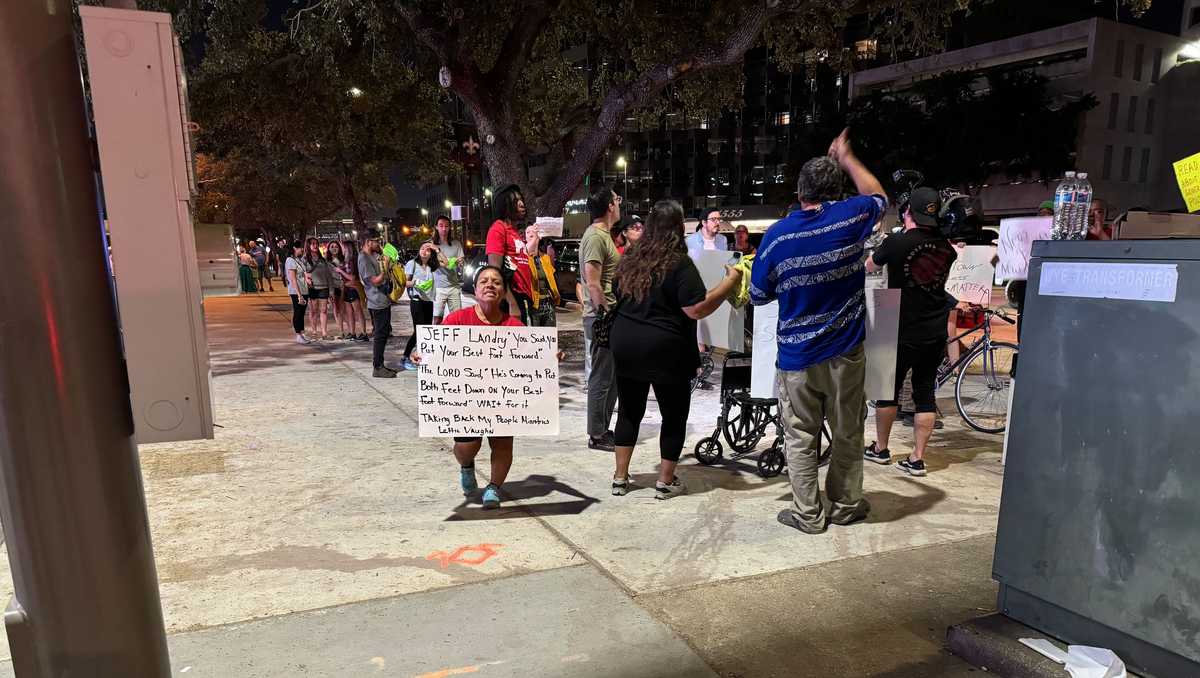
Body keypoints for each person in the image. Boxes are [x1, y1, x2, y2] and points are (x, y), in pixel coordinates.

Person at [750, 128, 887, 535]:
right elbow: (878, 197)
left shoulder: (776, 237)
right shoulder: (850, 218)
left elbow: (758, 295)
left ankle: (808, 515)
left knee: (799, 435)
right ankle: (845, 505)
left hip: (796, 357)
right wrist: (847, 156)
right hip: (846, 351)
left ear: (799, 190)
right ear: (837, 190)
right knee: (847, 431)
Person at [610, 200, 742, 499]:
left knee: (629, 410)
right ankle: (665, 481)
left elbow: (617, 292)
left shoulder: (631, 257)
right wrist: (729, 282)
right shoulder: (677, 261)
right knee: (673, 414)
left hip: (626, 342)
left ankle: (620, 477)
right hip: (665, 347)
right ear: (678, 227)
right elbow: (696, 308)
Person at [410, 266, 560, 510]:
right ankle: (466, 465)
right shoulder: (458, 319)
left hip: (503, 398)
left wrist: (549, 356)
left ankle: (494, 487)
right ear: (475, 289)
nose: (490, 285)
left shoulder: (514, 327)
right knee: (467, 447)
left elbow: (533, 359)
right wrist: (420, 354)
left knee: (502, 444)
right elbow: (434, 348)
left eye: (497, 282)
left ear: (503, 292)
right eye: (484, 281)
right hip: (466, 398)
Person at [863, 187, 957, 477]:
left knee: (886, 391)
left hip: (894, 316)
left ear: (908, 213)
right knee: (924, 392)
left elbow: (870, 266)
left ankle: (881, 448)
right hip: (934, 323)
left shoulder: (896, 242)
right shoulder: (946, 248)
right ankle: (917, 458)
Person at [580, 184, 622, 452]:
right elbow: (593, 283)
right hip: (601, 316)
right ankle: (596, 433)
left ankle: (603, 428)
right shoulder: (595, 236)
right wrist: (604, 316)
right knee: (601, 377)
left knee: (612, 377)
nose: (619, 203)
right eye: (616, 200)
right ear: (609, 206)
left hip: (610, 314)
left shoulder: (605, 235)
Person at [486, 185, 537, 324]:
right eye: (515, 201)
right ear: (505, 204)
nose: (521, 204)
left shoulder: (514, 232)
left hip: (523, 297)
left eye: (521, 199)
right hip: (511, 300)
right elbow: (494, 271)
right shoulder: (498, 229)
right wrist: (511, 302)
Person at [359, 231, 397, 378]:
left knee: (384, 333)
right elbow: (373, 281)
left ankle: (380, 364)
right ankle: (378, 367)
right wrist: (385, 269)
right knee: (380, 335)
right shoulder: (363, 258)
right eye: (376, 242)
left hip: (382, 300)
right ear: (369, 242)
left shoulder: (371, 257)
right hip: (377, 302)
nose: (378, 245)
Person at [402, 242, 438, 371]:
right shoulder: (412, 263)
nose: (424, 251)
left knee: (426, 331)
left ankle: (421, 358)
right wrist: (416, 283)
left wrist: (436, 249)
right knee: (419, 331)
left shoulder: (432, 266)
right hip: (417, 300)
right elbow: (404, 282)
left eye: (428, 250)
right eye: (422, 248)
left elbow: (447, 263)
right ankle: (405, 357)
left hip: (428, 301)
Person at [430, 215, 465, 324]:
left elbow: (461, 263)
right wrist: (447, 262)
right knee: (437, 319)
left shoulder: (456, 244)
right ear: (436, 227)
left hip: (454, 287)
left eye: (446, 226)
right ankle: (437, 341)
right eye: (441, 226)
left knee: (458, 319)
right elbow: (431, 264)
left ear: (450, 228)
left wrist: (460, 263)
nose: (444, 229)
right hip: (438, 288)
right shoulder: (432, 245)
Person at [302, 238, 334, 340]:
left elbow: (329, 275)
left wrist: (331, 290)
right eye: (312, 244)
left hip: (324, 287)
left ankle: (324, 333)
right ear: (308, 246)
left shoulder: (323, 260)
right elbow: (301, 273)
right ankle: (314, 331)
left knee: (324, 310)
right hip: (312, 288)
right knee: (313, 310)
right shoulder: (305, 259)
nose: (315, 246)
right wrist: (306, 279)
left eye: (316, 244)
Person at [527, 237, 561, 326]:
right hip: (534, 304)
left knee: (549, 335)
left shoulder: (545, 258)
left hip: (548, 302)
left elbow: (552, 278)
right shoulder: (525, 259)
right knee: (535, 336)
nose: (533, 237)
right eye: (529, 234)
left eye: (534, 235)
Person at [343, 239, 371, 341]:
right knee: (349, 312)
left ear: (348, 249)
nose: (342, 249)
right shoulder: (345, 260)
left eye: (344, 247)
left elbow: (353, 277)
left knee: (358, 311)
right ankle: (352, 332)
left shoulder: (353, 261)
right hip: (347, 288)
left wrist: (340, 272)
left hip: (353, 288)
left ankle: (364, 333)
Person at [326, 241, 354, 340]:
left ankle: (351, 331)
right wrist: (330, 291)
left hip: (343, 286)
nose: (334, 248)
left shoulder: (343, 260)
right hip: (333, 287)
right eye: (332, 247)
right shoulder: (327, 262)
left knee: (344, 310)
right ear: (328, 249)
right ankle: (341, 331)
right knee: (336, 310)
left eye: (336, 247)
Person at [284, 240, 310, 343]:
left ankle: (302, 333)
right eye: (300, 248)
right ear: (295, 248)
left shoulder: (298, 260)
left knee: (302, 313)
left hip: (304, 289)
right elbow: (293, 278)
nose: (302, 250)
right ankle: (298, 334)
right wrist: (299, 295)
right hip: (296, 291)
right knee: (298, 312)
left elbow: (303, 274)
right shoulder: (290, 260)